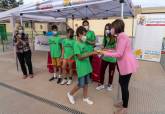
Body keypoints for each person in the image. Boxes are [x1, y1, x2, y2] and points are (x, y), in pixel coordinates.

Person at [99, 19, 138, 114]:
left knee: (124, 86)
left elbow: (119, 54)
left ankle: (124, 107)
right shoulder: (120, 36)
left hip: (126, 65)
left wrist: (105, 53)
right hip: (123, 64)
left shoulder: (122, 37)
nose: (111, 29)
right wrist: (105, 51)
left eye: (112, 27)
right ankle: (123, 102)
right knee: (121, 82)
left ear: (116, 27)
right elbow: (116, 50)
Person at [67, 26, 97, 105]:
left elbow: (84, 51)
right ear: (79, 34)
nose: (85, 37)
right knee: (81, 84)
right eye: (84, 35)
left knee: (86, 83)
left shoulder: (83, 42)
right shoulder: (76, 44)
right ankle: (70, 94)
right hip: (81, 67)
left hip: (86, 65)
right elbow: (80, 57)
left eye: (85, 35)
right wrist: (91, 53)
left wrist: (94, 51)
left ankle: (85, 97)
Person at [96, 23, 117, 91]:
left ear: (112, 29)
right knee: (102, 71)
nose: (107, 30)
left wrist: (106, 49)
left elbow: (115, 49)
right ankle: (101, 84)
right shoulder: (105, 37)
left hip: (112, 59)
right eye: (106, 29)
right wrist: (100, 48)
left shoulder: (115, 37)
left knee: (111, 72)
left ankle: (110, 84)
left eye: (108, 29)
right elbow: (103, 45)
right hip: (105, 57)